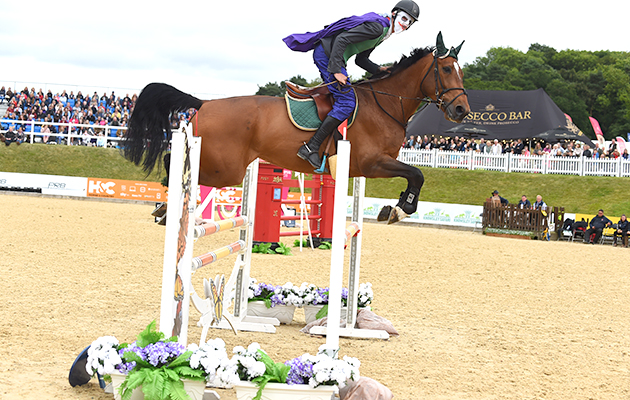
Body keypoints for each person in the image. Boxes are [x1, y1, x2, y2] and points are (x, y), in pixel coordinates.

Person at [284, 0, 420, 170]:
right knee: (347, 101)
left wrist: (380, 69)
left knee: (346, 96)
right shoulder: (378, 28)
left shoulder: (384, 32)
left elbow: (361, 59)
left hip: (334, 56)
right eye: (405, 19)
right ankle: (311, 146)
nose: (406, 25)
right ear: (394, 13)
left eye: (410, 23)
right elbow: (341, 40)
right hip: (327, 56)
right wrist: (335, 70)